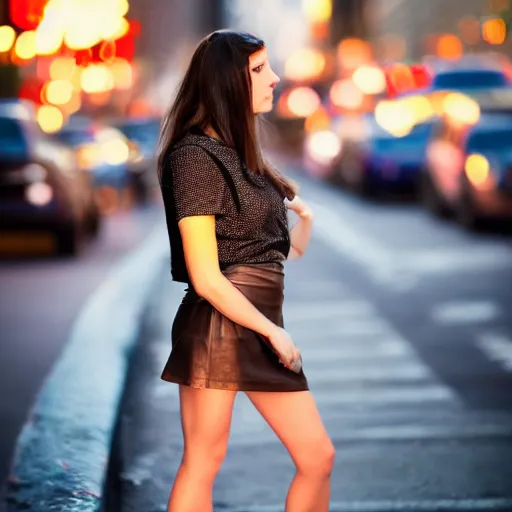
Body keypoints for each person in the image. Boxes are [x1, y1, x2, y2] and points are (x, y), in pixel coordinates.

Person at [157, 29, 335, 512]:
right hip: (219, 326)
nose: (274, 78)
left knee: (317, 456)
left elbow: (273, 256)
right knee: (203, 460)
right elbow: (207, 276)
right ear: (225, 83)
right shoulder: (194, 157)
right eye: (259, 70)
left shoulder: (241, 154)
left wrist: (306, 220)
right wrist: (272, 333)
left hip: (252, 322)